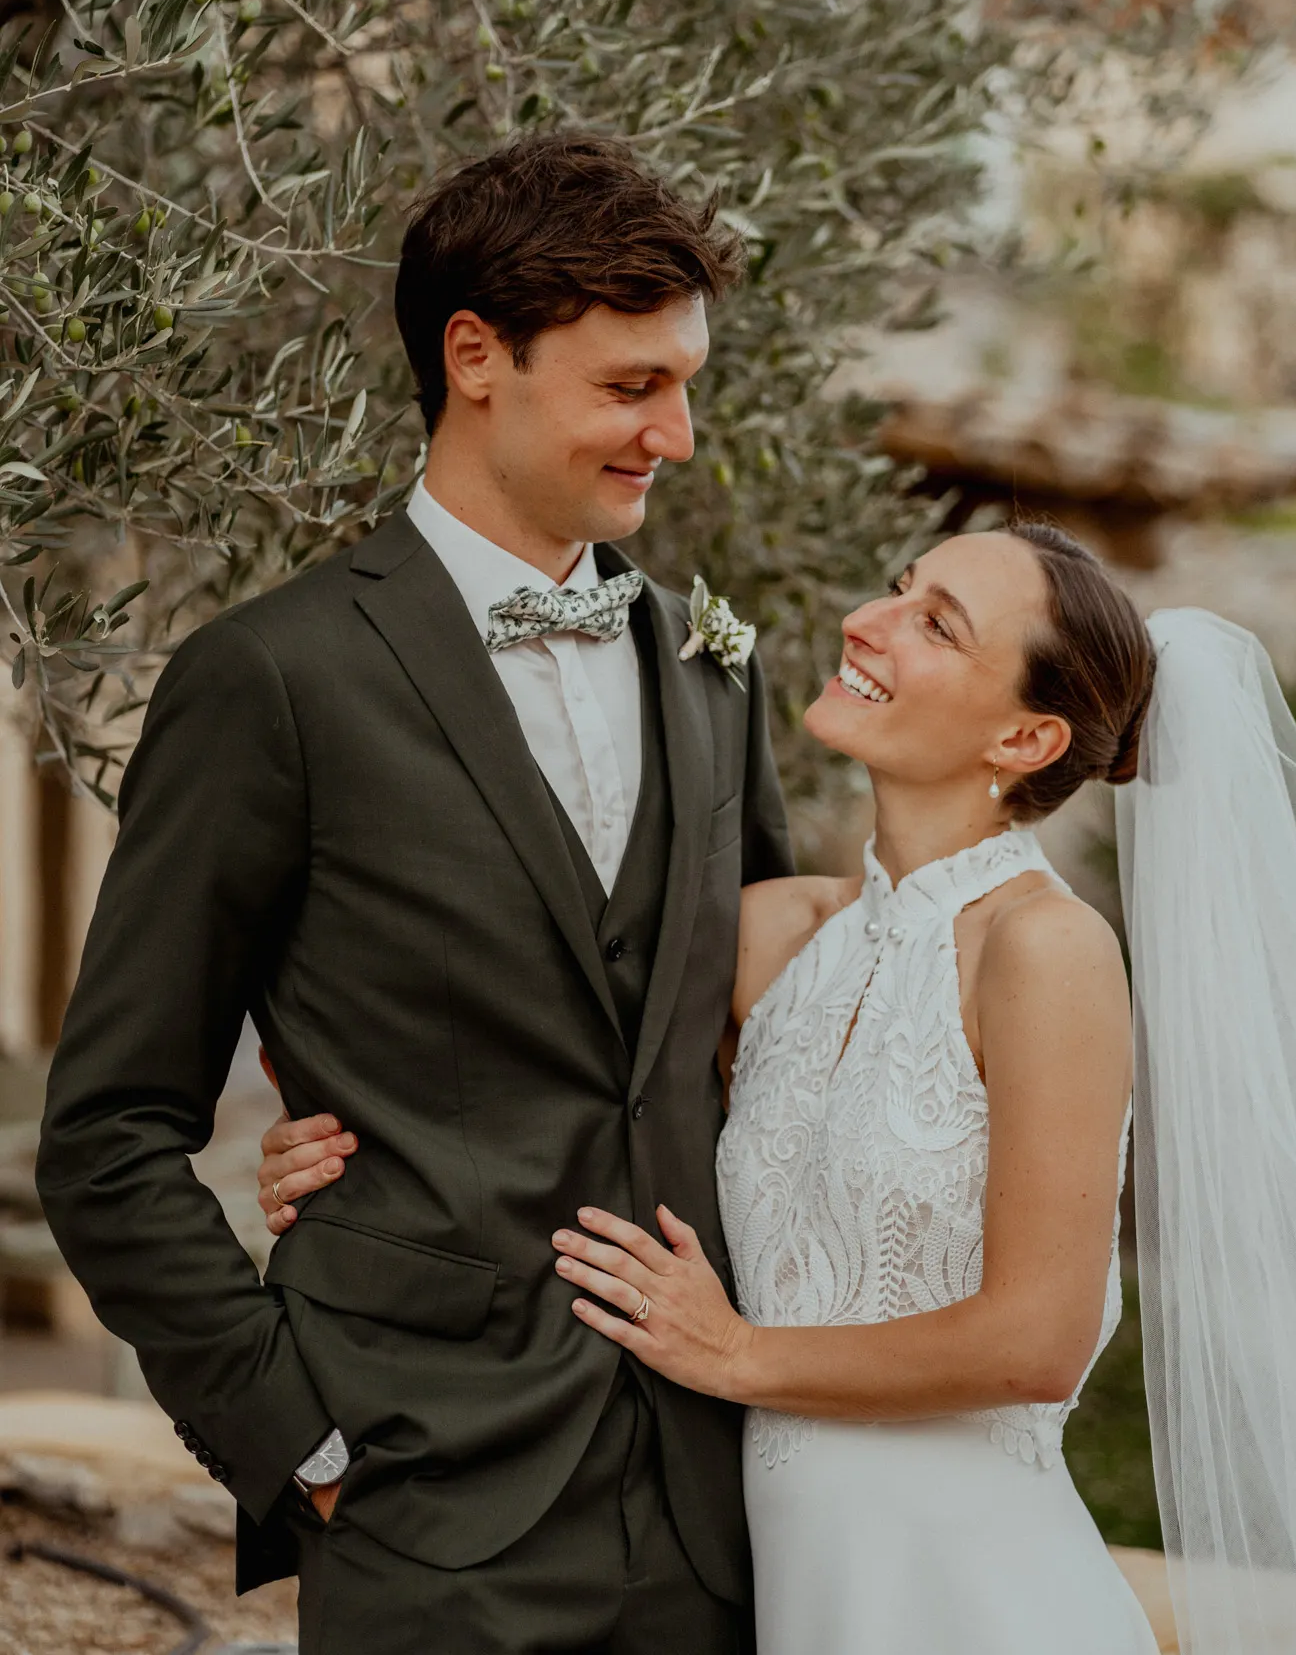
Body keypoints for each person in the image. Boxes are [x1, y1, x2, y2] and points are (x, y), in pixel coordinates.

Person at [263, 522, 1296, 1651]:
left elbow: (1039, 1333)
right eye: (899, 587)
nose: (867, 621)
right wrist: (327, 1132)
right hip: (787, 1589)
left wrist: (737, 1351)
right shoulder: (774, 932)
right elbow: (511, 1056)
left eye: (937, 623)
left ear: (1027, 734)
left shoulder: (1046, 949)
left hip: (972, 1595)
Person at [36, 133, 793, 1655]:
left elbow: (756, 1053)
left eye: (685, 381)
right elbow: (108, 1134)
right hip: (423, 1512)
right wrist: (300, 1445)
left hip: (724, 1521)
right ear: (475, 358)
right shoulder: (274, 680)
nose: (680, 434)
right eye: (633, 386)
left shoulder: (717, 671)